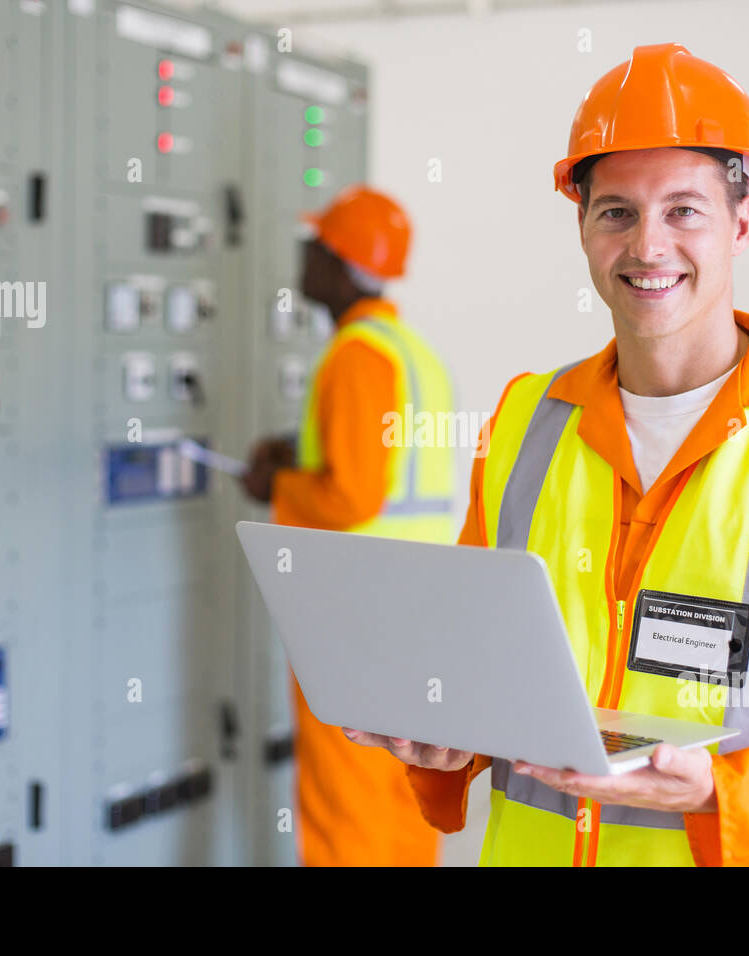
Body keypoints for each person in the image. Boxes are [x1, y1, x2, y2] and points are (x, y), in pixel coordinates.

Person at [342, 44, 749, 866]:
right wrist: (448, 740)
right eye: (616, 211)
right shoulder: (523, 421)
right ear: (582, 227)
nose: (647, 245)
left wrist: (726, 794)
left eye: (684, 210)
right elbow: (483, 665)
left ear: (741, 222)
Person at [243, 184, 458, 866]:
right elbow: (387, 471)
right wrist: (296, 451)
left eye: (312, 246)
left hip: (356, 614)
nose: (300, 259)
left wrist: (275, 483)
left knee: (346, 803)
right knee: (404, 789)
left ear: (339, 264)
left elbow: (352, 497)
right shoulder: (411, 354)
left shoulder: (357, 355)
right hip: (418, 604)